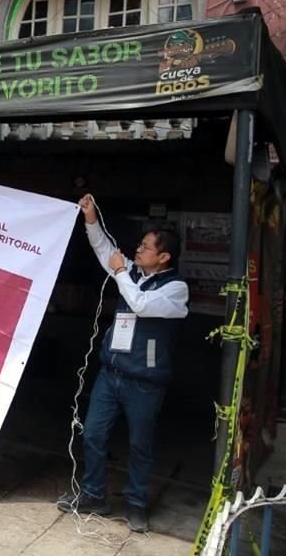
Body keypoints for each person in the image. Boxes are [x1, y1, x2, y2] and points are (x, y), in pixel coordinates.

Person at [57, 194, 189, 533]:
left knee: (139, 446)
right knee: (93, 435)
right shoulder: (131, 272)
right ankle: (93, 495)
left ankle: (136, 505)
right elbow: (106, 251)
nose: (137, 250)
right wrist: (90, 219)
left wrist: (120, 271)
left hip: (145, 381)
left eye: (145, 247)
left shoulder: (176, 289)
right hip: (111, 374)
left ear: (163, 257)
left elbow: (140, 304)